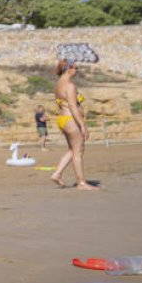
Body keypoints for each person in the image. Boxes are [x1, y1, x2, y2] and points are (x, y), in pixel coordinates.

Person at [50, 60, 99, 190]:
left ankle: (57, 173)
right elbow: (72, 106)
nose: (77, 70)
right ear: (68, 69)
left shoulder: (58, 84)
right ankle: (81, 183)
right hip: (70, 120)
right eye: (75, 68)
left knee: (73, 150)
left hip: (62, 119)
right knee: (79, 151)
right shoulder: (69, 85)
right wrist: (83, 125)